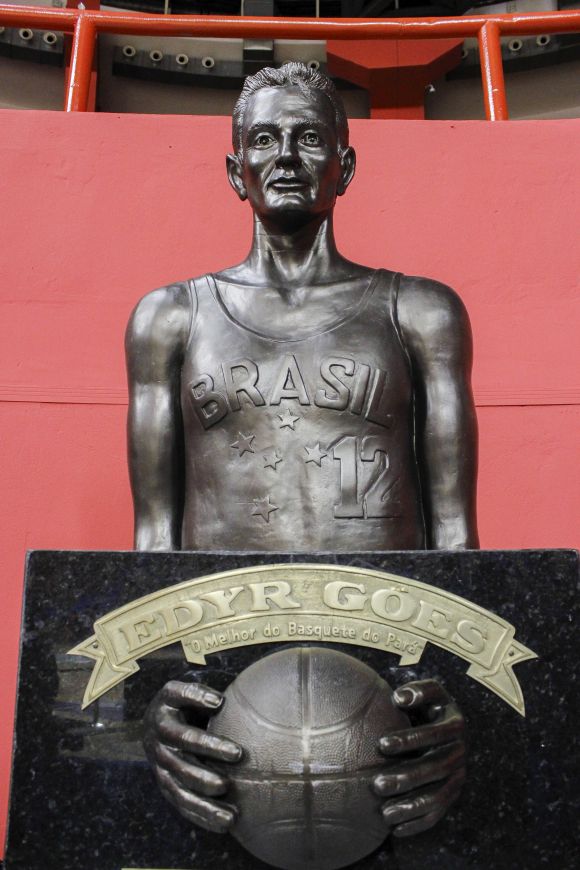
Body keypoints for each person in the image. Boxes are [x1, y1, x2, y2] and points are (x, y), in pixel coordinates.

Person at [127, 63, 475, 841]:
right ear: (236, 171)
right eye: (264, 140)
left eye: (309, 138)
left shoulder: (420, 311)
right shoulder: (170, 318)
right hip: (221, 650)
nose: (285, 155)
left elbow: (455, 534)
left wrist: (459, 695)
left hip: (389, 643)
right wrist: (155, 696)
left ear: (343, 167)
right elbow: (151, 541)